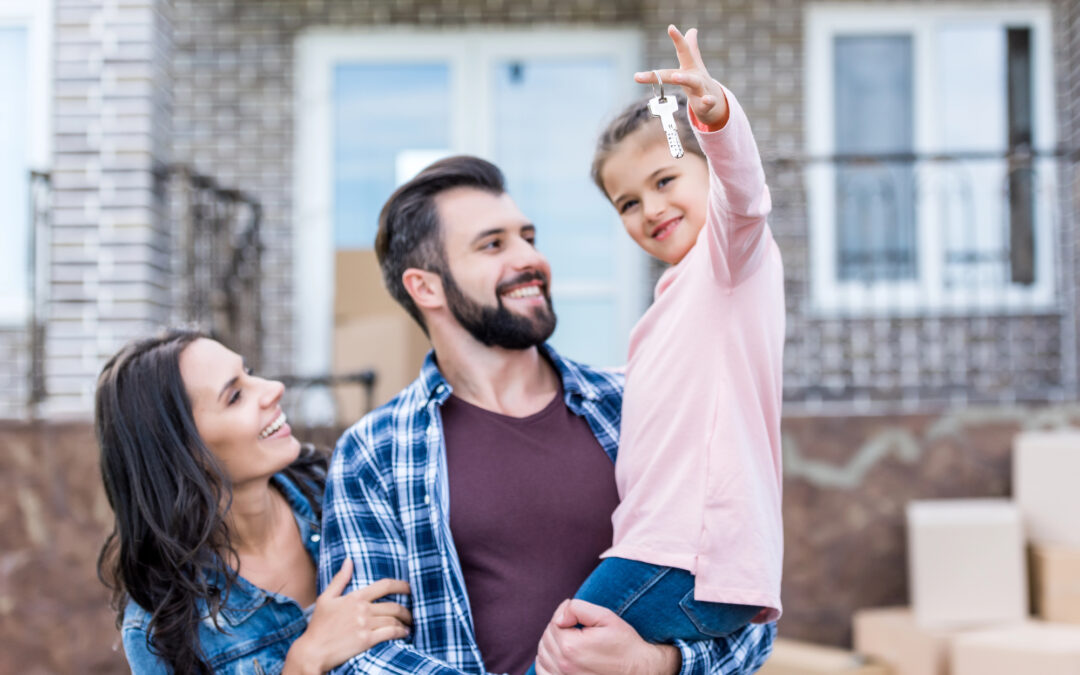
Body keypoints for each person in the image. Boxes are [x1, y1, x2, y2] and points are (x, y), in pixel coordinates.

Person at [317, 160, 776, 670]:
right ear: (426, 287)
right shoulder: (375, 451)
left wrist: (655, 665)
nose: (530, 259)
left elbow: (748, 607)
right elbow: (361, 658)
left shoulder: (633, 404)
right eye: (493, 245)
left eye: (528, 237)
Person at [529, 25, 785, 672]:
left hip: (682, 553)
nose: (651, 208)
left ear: (706, 170)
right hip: (671, 552)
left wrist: (714, 117)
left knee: (561, 657)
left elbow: (746, 198)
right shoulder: (674, 302)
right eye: (628, 202)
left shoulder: (731, 262)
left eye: (667, 179)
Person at [96, 329, 413, 674]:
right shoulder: (160, 627)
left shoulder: (350, 491)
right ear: (181, 453)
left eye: (248, 372)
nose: (273, 388)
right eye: (235, 396)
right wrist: (304, 662)